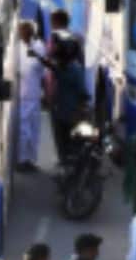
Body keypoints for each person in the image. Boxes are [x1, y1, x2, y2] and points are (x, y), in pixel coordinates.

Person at [31, 31, 88, 165]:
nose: (57, 60)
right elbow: (51, 65)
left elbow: (83, 94)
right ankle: (65, 162)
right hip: (61, 111)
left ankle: (71, 164)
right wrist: (38, 57)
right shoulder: (64, 67)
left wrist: (80, 112)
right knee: (62, 140)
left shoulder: (74, 70)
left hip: (71, 114)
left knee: (70, 141)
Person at [12, 20, 47, 173]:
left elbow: (43, 71)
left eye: (27, 32)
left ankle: (30, 160)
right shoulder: (16, 49)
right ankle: (21, 160)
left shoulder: (39, 47)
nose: (24, 35)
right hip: (20, 96)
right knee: (23, 130)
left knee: (34, 130)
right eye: (22, 32)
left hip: (34, 95)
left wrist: (45, 91)